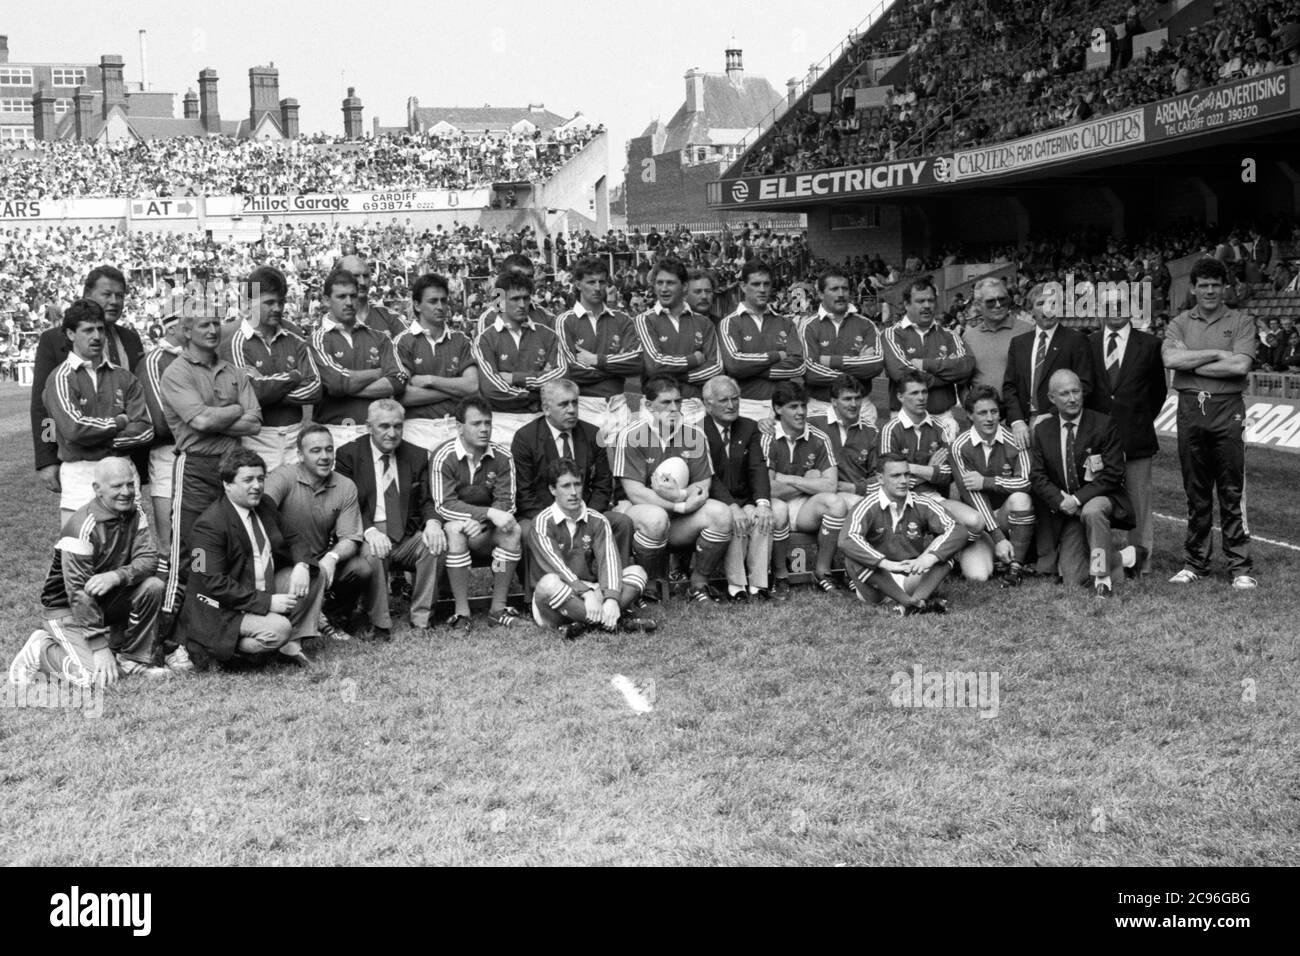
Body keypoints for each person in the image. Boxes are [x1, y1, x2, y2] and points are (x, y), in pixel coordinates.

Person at [10, 458, 171, 688]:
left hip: (105, 599)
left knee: (153, 586)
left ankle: (132, 660)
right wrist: (99, 647)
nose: (125, 492)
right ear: (97, 489)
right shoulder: (81, 526)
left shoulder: (136, 513)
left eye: (130, 485)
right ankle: (41, 650)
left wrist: (116, 576)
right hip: (66, 608)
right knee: (91, 679)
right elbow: (78, 592)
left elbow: (148, 560)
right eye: (116, 486)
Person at [159, 304, 262, 628]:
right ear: (187, 331)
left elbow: (255, 422)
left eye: (216, 323)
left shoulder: (232, 370)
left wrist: (213, 418)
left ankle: (220, 627)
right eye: (205, 324)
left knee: (232, 545)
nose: (213, 331)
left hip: (232, 466)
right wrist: (233, 410)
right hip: (196, 468)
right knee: (186, 552)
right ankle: (167, 636)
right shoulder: (177, 372)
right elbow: (200, 420)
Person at [1162, 257, 1258, 588]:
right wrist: (1219, 353)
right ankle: (1195, 563)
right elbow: (1171, 359)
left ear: (1224, 287)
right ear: (1193, 288)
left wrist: (1194, 360)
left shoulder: (1241, 321)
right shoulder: (1179, 322)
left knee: (1232, 490)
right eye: (1203, 285)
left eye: (1216, 285)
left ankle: (1240, 566)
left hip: (1227, 409)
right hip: (1190, 409)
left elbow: (1239, 367)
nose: (1210, 291)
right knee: (1196, 490)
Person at [179, 448, 321, 669]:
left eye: (260, 478)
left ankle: (291, 645)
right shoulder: (207, 526)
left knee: (314, 573)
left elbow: (295, 538)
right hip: (222, 608)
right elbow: (212, 583)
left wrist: (302, 565)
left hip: (262, 587)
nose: (257, 485)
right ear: (227, 484)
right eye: (248, 480)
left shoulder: (265, 505)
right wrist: (267, 603)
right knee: (279, 629)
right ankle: (228, 652)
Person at [609, 374, 733, 603]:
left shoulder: (695, 435)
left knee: (722, 514)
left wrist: (681, 495)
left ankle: (698, 583)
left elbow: (703, 485)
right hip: (642, 512)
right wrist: (680, 504)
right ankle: (649, 585)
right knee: (655, 519)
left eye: (678, 401)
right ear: (648, 406)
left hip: (679, 517)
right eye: (666, 403)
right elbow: (635, 492)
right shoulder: (631, 435)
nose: (674, 408)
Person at [31, 266, 146, 499]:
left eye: (120, 295)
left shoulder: (131, 339)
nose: (114, 301)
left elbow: (139, 399)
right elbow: (43, 407)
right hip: (82, 459)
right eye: (107, 294)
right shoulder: (53, 340)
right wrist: (47, 458)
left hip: (126, 457)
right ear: (87, 294)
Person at [335, 400, 445, 642]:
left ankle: (422, 618)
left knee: (435, 545)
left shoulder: (416, 455)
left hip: (405, 534)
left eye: (398, 426)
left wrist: (433, 523)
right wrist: (370, 531)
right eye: (384, 426)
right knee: (374, 552)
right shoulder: (348, 455)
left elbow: (428, 500)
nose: (392, 433)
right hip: (369, 530)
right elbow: (347, 504)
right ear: (368, 427)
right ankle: (379, 623)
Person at [42, 299, 153, 521]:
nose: (96, 336)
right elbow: (74, 429)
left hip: (122, 471)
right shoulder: (60, 378)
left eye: (100, 329)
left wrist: (95, 442)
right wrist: (119, 423)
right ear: (71, 334)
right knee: (79, 550)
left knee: (131, 548)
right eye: (88, 330)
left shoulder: (124, 377)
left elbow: (145, 429)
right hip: (80, 473)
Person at [1029, 369, 1134, 597]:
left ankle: (1102, 580)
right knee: (1073, 579)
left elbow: (1113, 474)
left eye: (1076, 391)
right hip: (1067, 510)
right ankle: (1124, 556)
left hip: (1100, 500)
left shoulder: (1104, 424)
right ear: (1051, 399)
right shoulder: (1042, 430)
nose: (1072, 398)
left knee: (1092, 511)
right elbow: (1037, 476)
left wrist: (1078, 499)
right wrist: (1062, 501)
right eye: (1064, 393)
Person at [526, 458, 657, 638]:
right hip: (558, 599)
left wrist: (610, 598)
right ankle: (616, 623)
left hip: (594, 594)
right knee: (549, 583)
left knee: (637, 572)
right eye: (566, 486)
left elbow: (609, 561)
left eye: (577, 485)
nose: (573, 492)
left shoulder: (597, 520)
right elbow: (557, 568)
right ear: (552, 489)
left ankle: (583, 625)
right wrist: (586, 594)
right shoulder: (542, 523)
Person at [262, 424, 368, 643]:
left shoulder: (345, 485)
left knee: (361, 568)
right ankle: (297, 628)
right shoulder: (283, 476)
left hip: (320, 560)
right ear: (300, 455)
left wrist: (332, 558)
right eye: (316, 451)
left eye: (329, 449)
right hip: (285, 563)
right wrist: (301, 561)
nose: (325, 457)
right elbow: (262, 513)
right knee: (309, 575)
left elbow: (351, 538)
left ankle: (333, 617)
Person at [512, 379, 632, 561]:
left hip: (586, 512)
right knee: (529, 530)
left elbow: (603, 485)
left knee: (622, 523)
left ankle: (615, 583)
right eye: (563, 404)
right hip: (542, 513)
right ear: (546, 409)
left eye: (575, 402)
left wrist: (585, 518)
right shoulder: (525, 438)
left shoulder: (593, 434)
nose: (571, 409)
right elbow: (524, 494)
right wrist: (556, 521)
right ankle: (540, 587)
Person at [429, 397, 523, 629]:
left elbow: (507, 503)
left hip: (485, 531)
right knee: (454, 529)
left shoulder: (503, 456)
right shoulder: (444, 455)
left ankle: (497, 608)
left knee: (513, 530)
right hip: (457, 527)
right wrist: (487, 513)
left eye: (488, 423)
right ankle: (462, 612)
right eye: (476, 423)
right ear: (459, 427)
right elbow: (444, 504)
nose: (484, 429)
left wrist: (483, 522)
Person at [1088, 302, 1168, 576]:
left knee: (1139, 503)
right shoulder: (1089, 342)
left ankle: (1142, 563)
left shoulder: (1150, 344)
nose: (1115, 310)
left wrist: (1138, 419)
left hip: (1137, 437)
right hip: (1097, 440)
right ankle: (1101, 559)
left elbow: (1158, 392)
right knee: (1097, 500)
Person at [839, 453, 965, 615]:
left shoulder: (922, 502)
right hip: (876, 583)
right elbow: (846, 539)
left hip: (909, 576)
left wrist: (928, 558)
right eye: (896, 476)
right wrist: (886, 564)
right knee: (852, 556)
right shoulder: (866, 505)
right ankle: (908, 602)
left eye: (907, 474)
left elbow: (958, 529)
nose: (904, 480)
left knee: (945, 552)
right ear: (880, 479)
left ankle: (914, 603)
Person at [223, 266, 321, 471]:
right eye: (269, 302)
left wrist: (271, 390)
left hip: (295, 435)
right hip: (257, 438)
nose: (277, 308)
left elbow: (314, 387)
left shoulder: (294, 336)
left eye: (281, 302)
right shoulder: (234, 342)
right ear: (249, 304)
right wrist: (294, 376)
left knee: (300, 499)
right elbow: (250, 392)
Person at [761, 380, 848, 593]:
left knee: (835, 503)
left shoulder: (819, 438)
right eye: (793, 407)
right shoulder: (767, 437)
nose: (801, 412)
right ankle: (780, 574)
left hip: (805, 508)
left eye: (803, 406)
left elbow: (830, 485)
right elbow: (768, 489)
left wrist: (788, 478)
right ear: (778, 409)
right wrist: (810, 480)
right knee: (778, 507)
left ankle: (823, 572)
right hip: (774, 504)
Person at [700, 375, 780, 602]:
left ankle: (759, 585)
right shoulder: (697, 430)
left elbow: (758, 467)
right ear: (708, 404)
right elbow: (708, 475)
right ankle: (736, 586)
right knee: (733, 518)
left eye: (735, 399)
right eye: (724, 400)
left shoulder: (748, 427)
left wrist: (763, 503)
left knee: (761, 517)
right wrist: (732, 505)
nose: (731, 405)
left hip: (745, 497)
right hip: (713, 500)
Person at [879, 369, 984, 537]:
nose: (921, 398)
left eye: (924, 392)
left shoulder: (941, 427)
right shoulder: (890, 430)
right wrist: (930, 469)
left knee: (975, 521)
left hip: (932, 497)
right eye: (914, 393)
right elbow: (889, 477)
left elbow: (949, 474)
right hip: (899, 501)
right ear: (900, 397)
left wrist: (911, 469)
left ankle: (947, 554)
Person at [310, 267, 406, 450]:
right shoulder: (316, 340)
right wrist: (378, 372)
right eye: (341, 297)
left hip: (376, 432)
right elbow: (336, 382)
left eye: (353, 296)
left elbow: (398, 380)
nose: (349, 302)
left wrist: (344, 388)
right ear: (326, 300)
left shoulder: (380, 337)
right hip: (334, 433)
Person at [949, 384, 1036, 584]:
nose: (989, 418)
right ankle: (994, 551)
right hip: (979, 521)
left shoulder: (1015, 439)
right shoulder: (959, 447)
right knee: (978, 576)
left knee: (1021, 499)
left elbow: (1025, 483)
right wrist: (998, 537)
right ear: (970, 415)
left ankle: (1016, 566)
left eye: (994, 411)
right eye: (982, 413)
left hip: (1007, 515)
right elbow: (973, 496)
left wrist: (987, 482)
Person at [471, 271, 566, 446]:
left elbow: (561, 376)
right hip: (501, 425)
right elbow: (492, 389)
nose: (522, 304)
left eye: (526, 298)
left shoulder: (548, 335)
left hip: (541, 421)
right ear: (500, 300)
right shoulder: (484, 339)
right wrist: (536, 394)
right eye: (515, 299)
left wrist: (516, 378)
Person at [554, 257, 641, 442]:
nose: (597, 287)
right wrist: (616, 366)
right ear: (578, 284)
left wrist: (597, 360)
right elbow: (570, 370)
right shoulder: (565, 321)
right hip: (584, 406)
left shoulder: (622, 319)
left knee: (623, 467)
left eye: (602, 282)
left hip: (619, 404)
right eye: (591, 282)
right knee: (588, 468)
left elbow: (637, 362)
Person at [393, 272, 479, 452]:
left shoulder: (461, 340)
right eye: (433, 301)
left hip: (457, 429)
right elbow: (403, 396)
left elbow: (472, 386)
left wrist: (431, 380)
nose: (440, 306)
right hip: (416, 431)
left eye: (444, 300)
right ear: (417, 305)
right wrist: (453, 391)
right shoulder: (403, 342)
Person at [1003, 282, 1095, 449]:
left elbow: (1085, 386)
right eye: (1040, 303)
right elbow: (1010, 386)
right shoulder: (1019, 344)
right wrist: (1016, 421)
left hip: (1062, 422)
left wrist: (1052, 414)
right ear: (1031, 310)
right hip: (1023, 428)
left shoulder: (1076, 341)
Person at [634, 257, 720, 425]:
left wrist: (674, 376)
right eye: (659, 283)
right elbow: (654, 365)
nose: (664, 289)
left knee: (698, 451)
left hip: (695, 407)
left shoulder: (704, 322)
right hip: (656, 407)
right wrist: (693, 360)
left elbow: (716, 368)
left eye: (670, 283)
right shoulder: (644, 320)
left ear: (684, 286)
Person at [719, 260, 806, 421]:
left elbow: (799, 366)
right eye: (756, 284)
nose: (762, 289)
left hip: (782, 407)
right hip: (745, 407)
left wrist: (751, 370)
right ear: (743, 286)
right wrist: (778, 356)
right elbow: (735, 364)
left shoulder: (786, 323)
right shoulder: (730, 323)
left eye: (766, 284)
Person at [883, 278, 973, 426]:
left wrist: (925, 365)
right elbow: (901, 374)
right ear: (906, 304)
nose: (927, 305)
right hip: (904, 420)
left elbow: (966, 366)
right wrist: (946, 378)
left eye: (930, 300)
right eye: (920, 301)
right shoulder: (891, 335)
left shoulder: (950, 335)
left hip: (943, 418)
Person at [138, 301, 186, 570]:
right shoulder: (154, 361)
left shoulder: (201, 357)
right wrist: (208, 421)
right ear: (171, 328)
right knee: (170, 545)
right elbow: (162, 422)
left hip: (202, 451)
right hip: (170, 451)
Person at [801, 268, 883, 426]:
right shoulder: (809, 327)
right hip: (820, 406)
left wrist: (829, 361)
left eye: (844, 288)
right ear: (820, 294)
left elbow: (875, 364)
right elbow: (810, 372)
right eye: (834, 289)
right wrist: (857, 363)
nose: (840, 294)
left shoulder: (867, 325)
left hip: (860, 406)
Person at [807, 373, 879, 509]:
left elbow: (880, 477)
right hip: (815, 496)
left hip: (855, 497)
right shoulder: (811, 423)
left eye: (857, 398)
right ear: (834, 401)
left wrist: (854, 487)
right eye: (847, 399)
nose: (853, 404)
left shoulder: (872, 433)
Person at [962, 276, 1031, 396]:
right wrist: (970, 408)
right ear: (978, 305)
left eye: (1002, 299)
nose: (998, 305)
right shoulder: (969, 337)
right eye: (990, 301)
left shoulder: (1027, 330)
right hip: (983, 411)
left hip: (1019, 411)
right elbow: (963, 383)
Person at [475, 252, 555, 334]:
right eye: (518, 276)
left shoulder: (547, 318)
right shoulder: (488, 320)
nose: (525, 281)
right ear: (504, 278)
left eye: (529, 277)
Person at [336, 253, 406, 339]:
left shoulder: (391, 318)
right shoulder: (327, 324)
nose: (362, 282)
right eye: (355, 276)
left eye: (365, 276)